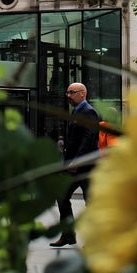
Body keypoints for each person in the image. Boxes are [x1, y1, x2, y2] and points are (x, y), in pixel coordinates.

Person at [50, 82, 99, 247]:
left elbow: (88, 140)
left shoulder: (89, 113)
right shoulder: (76, 112)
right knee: (62, 196)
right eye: (67, 92)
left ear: (82, 94)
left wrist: (77, 161)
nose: (68, 96)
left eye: (72, 92)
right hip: (73, 166)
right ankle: (69, 235)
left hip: (86, 167)